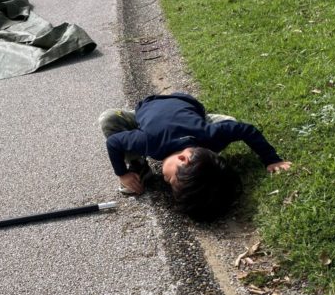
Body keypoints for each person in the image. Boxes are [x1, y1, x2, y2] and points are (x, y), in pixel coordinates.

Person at [99, 93, 292, 221]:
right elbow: (114, 142)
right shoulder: (149, 141)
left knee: (229, 126)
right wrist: (122, 173)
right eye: (170, 179)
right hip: (154, 106)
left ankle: (203, 143)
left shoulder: (209, 137)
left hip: (188, 117)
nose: (165, 180)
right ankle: (137, 164)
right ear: (183, 159)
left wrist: (271, 160)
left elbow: (246, 130)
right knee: (108, 118)